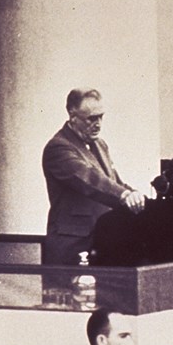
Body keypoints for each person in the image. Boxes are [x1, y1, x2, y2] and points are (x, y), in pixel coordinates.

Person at [42, 88, 146, 265]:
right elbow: (89, 179)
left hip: (103, 238)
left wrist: (136, 194)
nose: (98, 124)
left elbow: (114, 181)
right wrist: (124, 196)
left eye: (101, 117)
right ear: (72, 116)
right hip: (73, 245)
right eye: (91, 118)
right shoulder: (58, 148)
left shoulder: (99, 144)